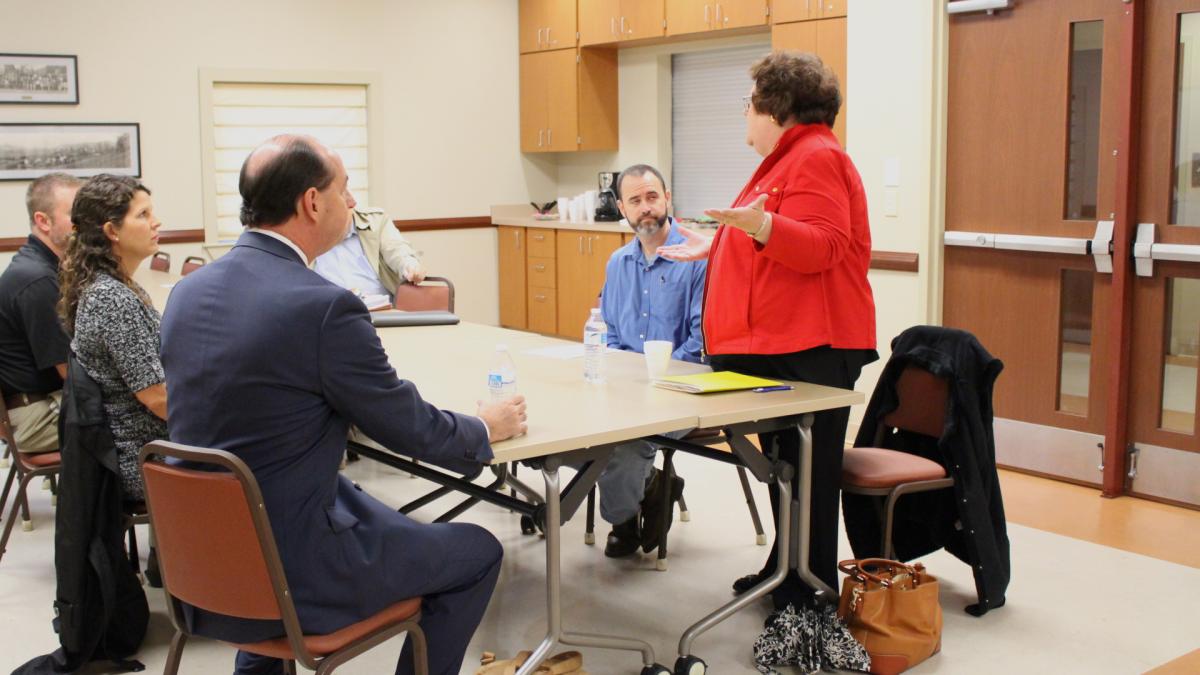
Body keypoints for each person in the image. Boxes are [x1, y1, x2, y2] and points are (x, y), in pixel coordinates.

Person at [159, 135, 527, 675]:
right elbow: (406, 425)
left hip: (206, 565)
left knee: (369, 514)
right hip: (294, 572)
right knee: (476, 551)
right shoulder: (321, 306)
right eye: (345, 189)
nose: (353, 203)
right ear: (312, 202)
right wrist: (483, 428)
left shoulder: (187, 293)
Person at [658, 52, 878, 612]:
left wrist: (756, 226)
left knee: (808, 477)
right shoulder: (788, 160)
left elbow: (823, 245)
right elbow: (781, 239)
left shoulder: (817, 157)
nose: (744, 114)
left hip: (811, 348)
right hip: (781, 347)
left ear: (773, 107)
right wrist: (725, 242)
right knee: (788, 474)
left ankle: (809, 595)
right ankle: (786, 571)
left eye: (748, 103)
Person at [593, 163, 704, 558]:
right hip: (627, 388)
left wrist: (653, 383)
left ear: (668, 198)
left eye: (652, 197)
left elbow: (699, 344)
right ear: (622, 208)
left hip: (680, 389)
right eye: (635, 201)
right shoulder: (617, 264)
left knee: (624, 446)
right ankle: (655, 486)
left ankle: (623, 516)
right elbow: (610, 336)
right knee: (572, 433)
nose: (646, 208)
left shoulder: (696, 259)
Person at [57, 174, 168, 502]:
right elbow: (158, 398)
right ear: (111, 230)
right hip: (145, 458)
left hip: (143, 447)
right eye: (143, 215)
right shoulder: (111, 297)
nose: (156, 222)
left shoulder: (113, 286)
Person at [0, 173, 81, 453]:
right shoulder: (37, 280)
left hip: (38, 403)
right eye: (74, 214)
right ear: (43, 221)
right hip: (36, 416)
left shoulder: (37, 265)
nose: (84, 223)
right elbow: (70, 373)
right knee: (137, 425)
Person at [312, 204, 426, 300]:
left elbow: (397, 250)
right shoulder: (308, 231)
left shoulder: (375, 221)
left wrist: (410, 266)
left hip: (380, 315)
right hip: (328, 316)